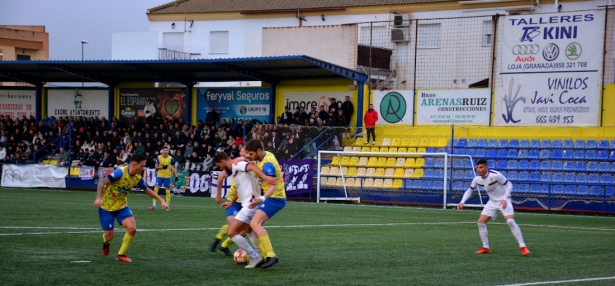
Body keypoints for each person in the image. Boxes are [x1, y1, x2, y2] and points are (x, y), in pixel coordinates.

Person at [93, 154, 167, 263]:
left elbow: (147, 190)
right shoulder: (120, 173)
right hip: (106, 207)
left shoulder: (137, 177)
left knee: (132, 229)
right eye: (142, 166)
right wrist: (98, 198)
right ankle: (106, 243)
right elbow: (102, 183)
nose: (143, 168)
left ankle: (121, 254)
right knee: (109, 237)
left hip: (122, 207)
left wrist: (161, 200)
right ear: (134, 165)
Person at [457, 159, 530, 256]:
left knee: (510, 221)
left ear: (486, 168)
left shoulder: (495, 175)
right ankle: (485, 247)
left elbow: (509, 184)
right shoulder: (477, 179)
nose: (479, 169)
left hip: (504, 200)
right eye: (477, 167)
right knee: (480, 223)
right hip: (492, 202)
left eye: (481, 167)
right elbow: (469, 190)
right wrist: (462, 202)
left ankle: (523, 246)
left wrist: (505, 198)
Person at [215, 151, 272, 268]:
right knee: (248, 230)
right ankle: (259, 255)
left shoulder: (237, 165)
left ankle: (255, 256)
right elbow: (239, 188)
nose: (221, 169)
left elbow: (251, 166)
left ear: (223, 162)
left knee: (232, 232)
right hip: (249, 204)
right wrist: (231, 202)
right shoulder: (236, 169)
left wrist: (264, 177)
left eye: (220, 166)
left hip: (250, 205)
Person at [242, 139, 285, 269]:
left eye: (250, 153)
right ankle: (259, 255)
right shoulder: (263, 157)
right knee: (249, 228)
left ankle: (270, 255)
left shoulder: (267, 165)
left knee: (255, 224)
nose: (248, 156)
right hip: (271, 197)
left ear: (259, 151)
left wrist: (262, 199)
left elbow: (272, 187)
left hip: (275, 198)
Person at [149, 146, 176, 211]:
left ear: (168, 151)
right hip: (160, 176)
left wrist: (175, 175)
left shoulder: (171, 158)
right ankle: (154, 206)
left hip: (167, 177)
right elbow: (156, 167)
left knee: (167, 191)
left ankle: (167, 206)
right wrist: (162, 167)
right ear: (162, 151)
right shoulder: (158, 157)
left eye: (167, 150)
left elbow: (174, 167)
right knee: (155, 190)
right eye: (164, 150)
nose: (165, 151)